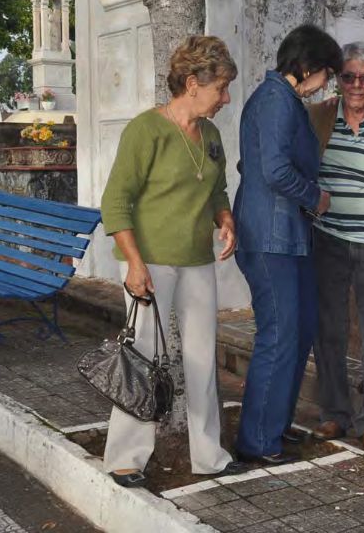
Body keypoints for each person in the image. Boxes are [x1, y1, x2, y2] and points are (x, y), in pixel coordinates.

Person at [100, 35, 245, 488]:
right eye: (220, 87)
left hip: (196, 259)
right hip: (152, 262)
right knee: (143, 356)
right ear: (191, 83)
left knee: (203, 358)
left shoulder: (212, 134)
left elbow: (217, 187)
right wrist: (134, 264)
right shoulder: (146, 130)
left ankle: (209, 455)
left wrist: (225, 219)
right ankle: (125, 458)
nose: (225, 98)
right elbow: (116, 202)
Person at [232, 24, 343, 464]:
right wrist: (315, 197)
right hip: (270, 236)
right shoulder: (276, 98)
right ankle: (257, 441)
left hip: (286, 235)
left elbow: (256, 161)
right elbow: (275, 170)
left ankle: (273, 426)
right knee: (279, 335)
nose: (327, 84)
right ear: (308, 67)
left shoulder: (283, 99)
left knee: (299, 331)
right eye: (326, 75)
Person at [307, 42, 364, 454]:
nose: (357, 85)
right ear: (338, 78)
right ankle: (334, 414)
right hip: (328, 239)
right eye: (349, 76)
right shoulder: (318, 115)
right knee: (330, 330)